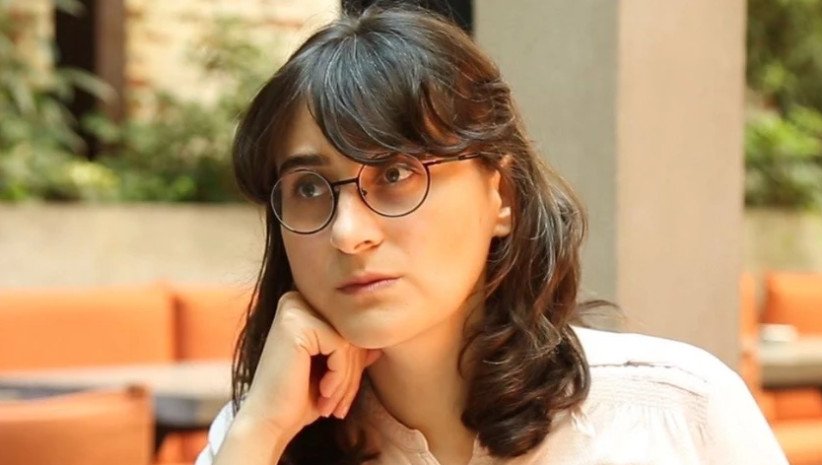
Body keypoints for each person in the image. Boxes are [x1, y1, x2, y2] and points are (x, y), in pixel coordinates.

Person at [196, 6, 788, 465]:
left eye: (396, 174)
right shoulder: (264, 437)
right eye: (308, 187)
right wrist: (260, 431)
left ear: (500, 195)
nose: (348, 233)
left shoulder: (673, 413)